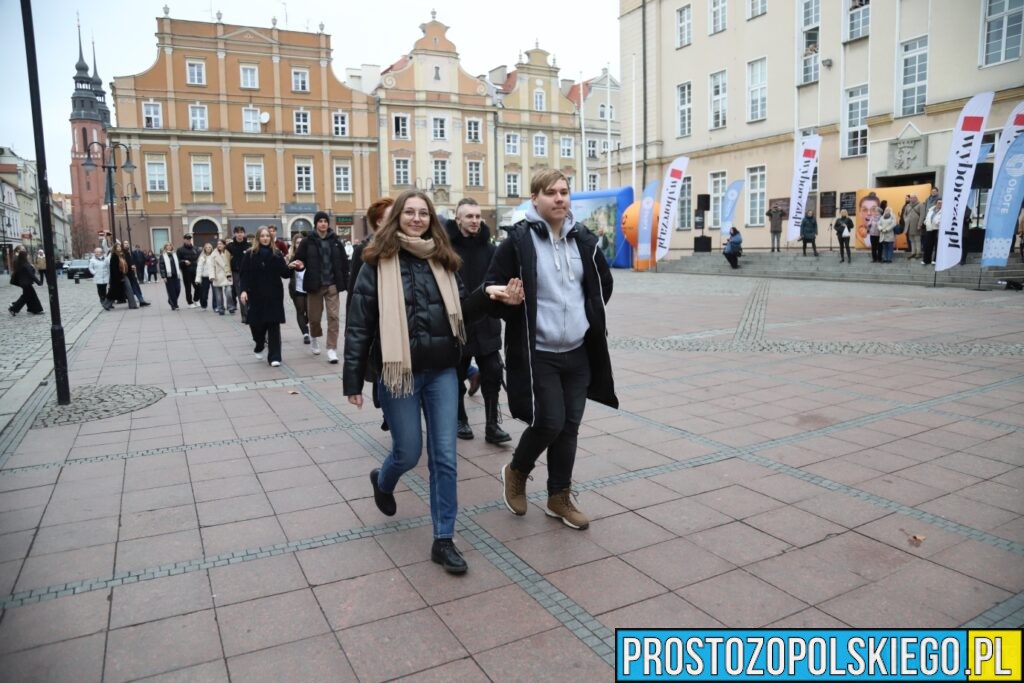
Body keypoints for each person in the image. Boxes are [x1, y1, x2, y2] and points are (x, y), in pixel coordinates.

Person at [344, 189, 516, 574]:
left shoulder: (444, 260)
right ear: (397, 218)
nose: (417, 218)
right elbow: (358, 326)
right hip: (398, 374)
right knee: (407, 452)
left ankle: (443, 539)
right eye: (410, 212)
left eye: (424, 213)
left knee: (444, 458)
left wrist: (488, 294)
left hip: (441, 371)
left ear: (432, 220)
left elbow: (461, 312)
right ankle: (384, 480)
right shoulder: (375, 262)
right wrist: (353, 380)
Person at [489, 169, 617, 532]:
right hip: (539, 350)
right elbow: (491, 287)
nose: (560, 198)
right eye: (551, 193)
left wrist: (586, 315)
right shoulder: (517, 242)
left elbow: (601, 285)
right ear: (535, 199)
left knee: (570, 426)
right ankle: (516, 471)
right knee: (549, 421)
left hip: (576, 351)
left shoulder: (584, 241)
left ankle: (558, 497)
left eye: (564, 192)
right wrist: (507, 299)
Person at [445, 197, 511, 444]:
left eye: (477, 216)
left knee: (493, 372)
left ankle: (492, 425)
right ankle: (460, 419)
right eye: (468, 216)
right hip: (458, 323)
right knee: (456, 375)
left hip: (487, 322)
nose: (474, 221)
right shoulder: (447, 250)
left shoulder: (492, 250)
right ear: (458, 218)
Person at [349, 196, 395, 432]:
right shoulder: (363, 251)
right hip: (376, 324)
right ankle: (388, 411)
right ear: (379, 222)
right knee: (380, 372)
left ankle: (392, 413)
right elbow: (355, 296)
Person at [293, 211, 349, 363]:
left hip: (332, 284)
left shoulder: (336, 241)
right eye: (320, 221)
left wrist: (346, 281)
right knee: (314, 318)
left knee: (334, 317)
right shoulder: (307, 241)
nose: (323, 223)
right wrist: (299, 265)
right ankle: (314, 337)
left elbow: (344, 263)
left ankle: (331, 349)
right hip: (315, 285)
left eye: (325, 221)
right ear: (316, 224)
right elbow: (297, 259)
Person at [240, 227, 296, 367]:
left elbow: (284, 273)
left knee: (273, 325)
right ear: (258, 238)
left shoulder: (276, 254)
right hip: (256, 294)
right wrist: (243, 291)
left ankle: (275, 356)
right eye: (262, 236)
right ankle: (259, 344)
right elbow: (244, 275)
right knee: (256, 324)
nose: (265, 238)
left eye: (267, 236)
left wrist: (292, 266)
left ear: (270, 239)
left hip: (273, 294)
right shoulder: (250, 254)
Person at [287, 233, 310, 343]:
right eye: (297, 243)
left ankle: (305, 322)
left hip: (310, 288)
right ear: (294, 245)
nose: (299, 245)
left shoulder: (310, 256)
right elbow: (286, 273)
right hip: (297, 289)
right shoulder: (292, 258)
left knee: (309, 312)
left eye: (301, 243)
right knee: (300, 311)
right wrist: (289, 266)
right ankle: (305, 333)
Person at [9, 248, 44, 315]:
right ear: (24, 256)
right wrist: (38, 282)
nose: (28, 256)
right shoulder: (25, 264)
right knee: (26, 297)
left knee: (31, 296)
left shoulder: (20, 263)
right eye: (27, 255)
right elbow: (31, 275)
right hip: (27, 283)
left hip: (24, 283)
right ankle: (13, 308)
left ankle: (33, 309)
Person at [102, 242, 136, 311]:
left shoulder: (121, 255)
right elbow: (114, 268)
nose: (119, 248)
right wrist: (119, 277)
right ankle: (106, 304)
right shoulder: (114, 256)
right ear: (115, 248)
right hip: (117, 277)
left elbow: (125, 265)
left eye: (120, 247)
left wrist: (130, 268)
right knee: (114, 292)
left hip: (124, 275)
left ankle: (133, 305)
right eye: (117, 247)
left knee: (129, 289)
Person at [226, 226, 248, 321]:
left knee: (250, 293)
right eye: (237, 232)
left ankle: (250, 312)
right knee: (240, 294)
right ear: (234, 234)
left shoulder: (249, 245)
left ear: (244, 233)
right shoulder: (230, 246)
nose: (239, 234)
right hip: (236, 273)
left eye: (241, 232)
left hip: (248, 272)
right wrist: (228, 274)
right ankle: (245, 315)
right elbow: (226, 261)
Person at [176, 234, 200, 308]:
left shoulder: (195, 248)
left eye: (189, 239)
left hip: (195, 271)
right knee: (188, 288)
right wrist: (184, 261)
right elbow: (178, 261)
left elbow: (199, 258)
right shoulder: (180, 250)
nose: (188, 240)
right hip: (186, 271)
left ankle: (196, 299)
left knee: (198, 286)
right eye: (187, 239)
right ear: (184, 239)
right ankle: (190, 302)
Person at [210, 239, 233, 315]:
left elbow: (230, 264)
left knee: (229, 292)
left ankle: (230, 307)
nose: (219, 245)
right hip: (217, 276)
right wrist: (212, 276)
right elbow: (211, 266)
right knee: (219, 295)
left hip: (227, 275)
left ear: (224, 245)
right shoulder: (213, 254)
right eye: (218, 244)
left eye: (221, 244)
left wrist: (230, 274)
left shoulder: (228, 253)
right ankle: (220, 308)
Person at [158, 242, 183, 310]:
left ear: (172, 247)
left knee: (178, 289)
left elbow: (178, 263)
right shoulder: (163, 255)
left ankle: (171, 301)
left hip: (176, 275)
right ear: (165, 247)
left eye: (170, 245)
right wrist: (164, 277)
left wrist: (183, 262)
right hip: (168, 276)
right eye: (167, 246)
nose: (169, 247)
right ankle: (175, 305)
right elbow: (162, 266)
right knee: (171, 291)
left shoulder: (175, 254)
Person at [195, 242, 215, 310]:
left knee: (215, 293)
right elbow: (199, 269)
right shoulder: (202, 257)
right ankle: (204, 305)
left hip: (213, 277)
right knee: (204, 294)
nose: (208, 248)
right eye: (206, 247)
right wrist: (198, 279)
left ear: (212, 248)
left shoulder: (214, 256)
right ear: (204, 249)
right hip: (205, 277)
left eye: (209, 247)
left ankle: (215, 307)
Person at [903, 194, 924, 260]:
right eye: (911, 198)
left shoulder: (920, 205)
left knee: (917, 239)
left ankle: (918, 253)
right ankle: (913, 253)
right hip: (909, 225)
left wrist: (919, 224)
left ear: (916, 198)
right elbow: (904, 214)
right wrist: (906, 220)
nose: (911, 199)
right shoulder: (907, 205)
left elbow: (922, 215)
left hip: (916, 225)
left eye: (913, 198)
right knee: (911, 240)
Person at [922, 199, 942, 265]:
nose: (940, 204)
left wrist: (937, 222)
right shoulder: (930, 210)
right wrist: (925, 222)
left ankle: (935, 260)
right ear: (936, 203)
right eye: (939, 203)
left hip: (937, 229)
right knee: (927, 245)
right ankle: (926, 260)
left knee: (937, 246)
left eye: (941, 203)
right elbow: (927, 218)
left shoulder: (944, 211)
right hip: (929, 229)